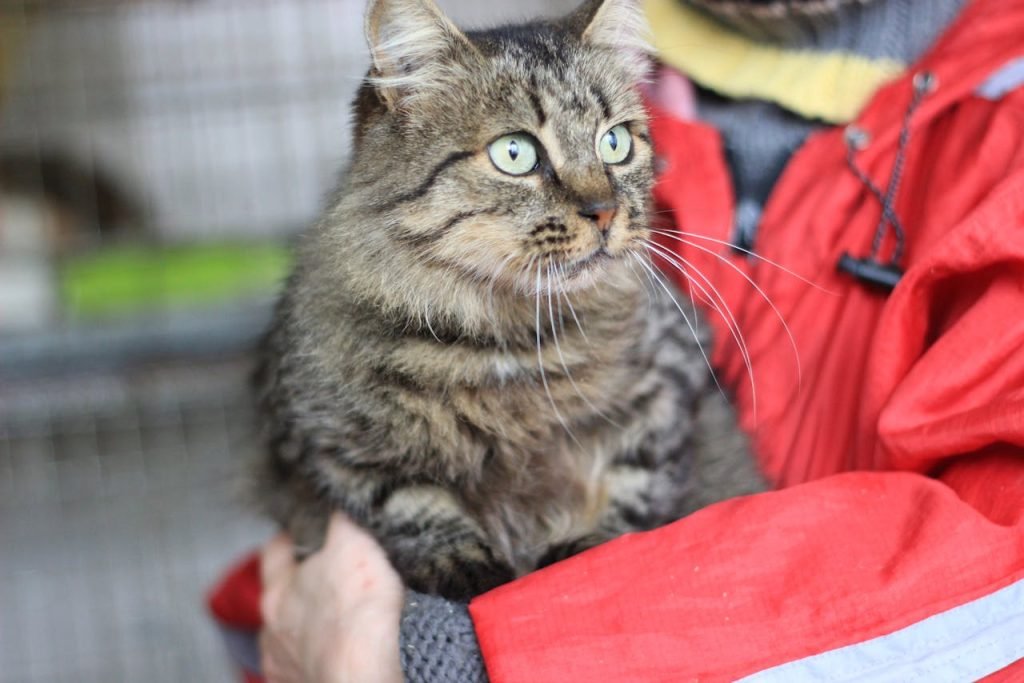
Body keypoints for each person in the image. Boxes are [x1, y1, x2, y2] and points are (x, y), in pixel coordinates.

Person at [210, 0, 1024, 679]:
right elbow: (304, 599)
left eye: (615, 145)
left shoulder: (1002, 106)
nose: (600, 202)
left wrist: (454, 655)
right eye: (516, 154)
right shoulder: (628, 56)